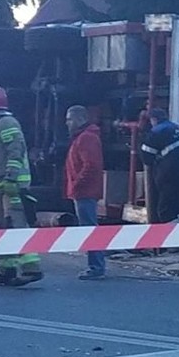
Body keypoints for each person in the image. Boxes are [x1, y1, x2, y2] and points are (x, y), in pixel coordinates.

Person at [0, 84, 44, 287]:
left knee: (16, 227)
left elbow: (16, 150)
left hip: (11, 189)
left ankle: (31, 268)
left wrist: (11, 179)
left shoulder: (6, 123)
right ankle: (6, 269)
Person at [64, 105, 106, 280]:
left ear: (79, 119)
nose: (67, 123)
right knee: (89, 227)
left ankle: (96, 267)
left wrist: (77, 184)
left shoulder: (86, 138)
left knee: (89, 228)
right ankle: (95, 265)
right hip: (83, 191)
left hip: (84, 191)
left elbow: (91, 165)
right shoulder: (85, 137)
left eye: (69, 119)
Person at [140, 108, 179, 223]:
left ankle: (173, 238)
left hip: (173, 175)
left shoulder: (156, 131)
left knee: (165, 210)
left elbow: (146, 157)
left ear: (153, 119)